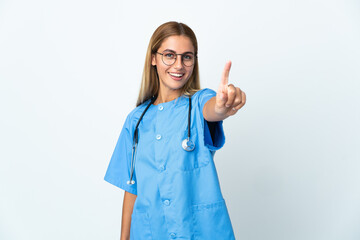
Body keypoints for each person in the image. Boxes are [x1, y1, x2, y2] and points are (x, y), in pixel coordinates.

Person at [104, 21, 246, 240]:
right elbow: (131, 188)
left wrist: (223, 106)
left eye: (187, 57)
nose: (179, 65)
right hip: (150, 232)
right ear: (153, 58)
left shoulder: (199, 103)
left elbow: (213, 109)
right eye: (169, 55)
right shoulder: (136, 119)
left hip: (198, 231)